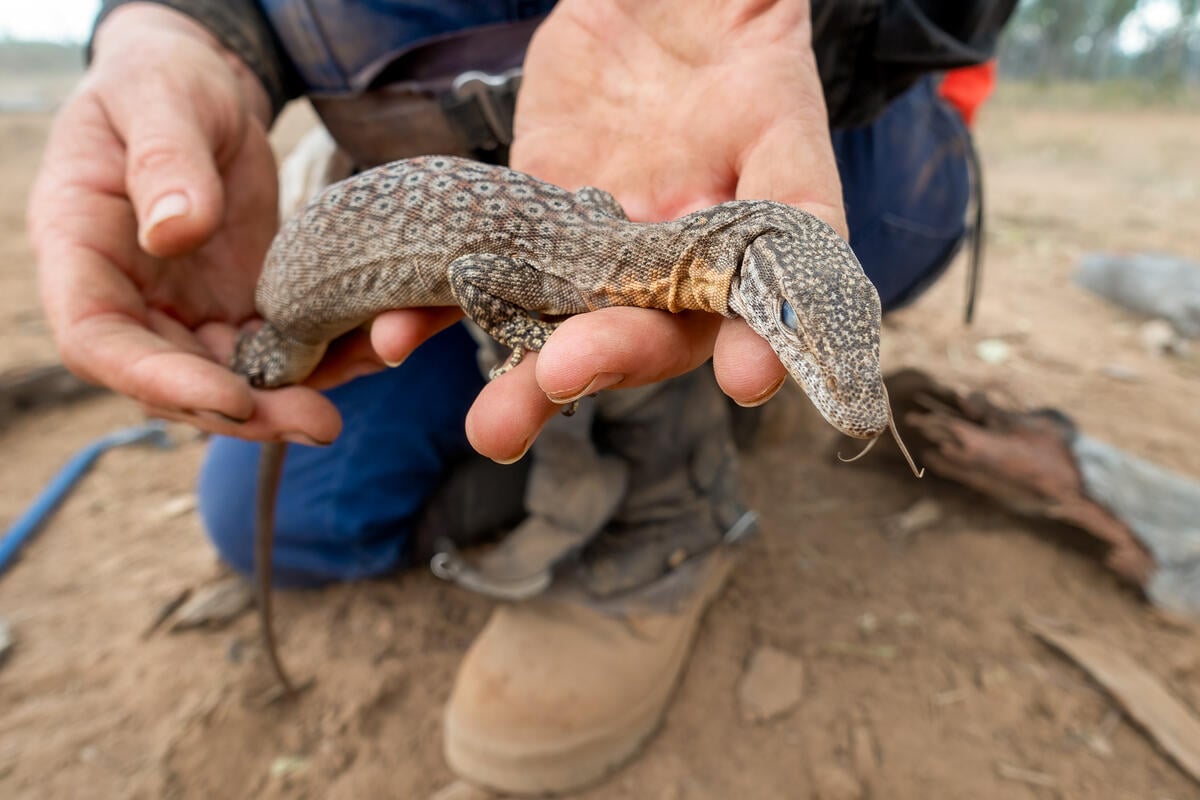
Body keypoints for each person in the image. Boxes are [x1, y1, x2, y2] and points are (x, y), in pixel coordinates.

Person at [28, 0, 1015, 794]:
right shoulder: (599, 258)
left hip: (841, 119)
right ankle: (601, 427)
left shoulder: (677, 243)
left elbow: (511, 257)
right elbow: (482, 276)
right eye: (797, 323)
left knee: (582, 362)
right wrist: (180, 24)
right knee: (279, 496)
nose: (846, 377)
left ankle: (667, 484)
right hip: (316, 271)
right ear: (742, 273)